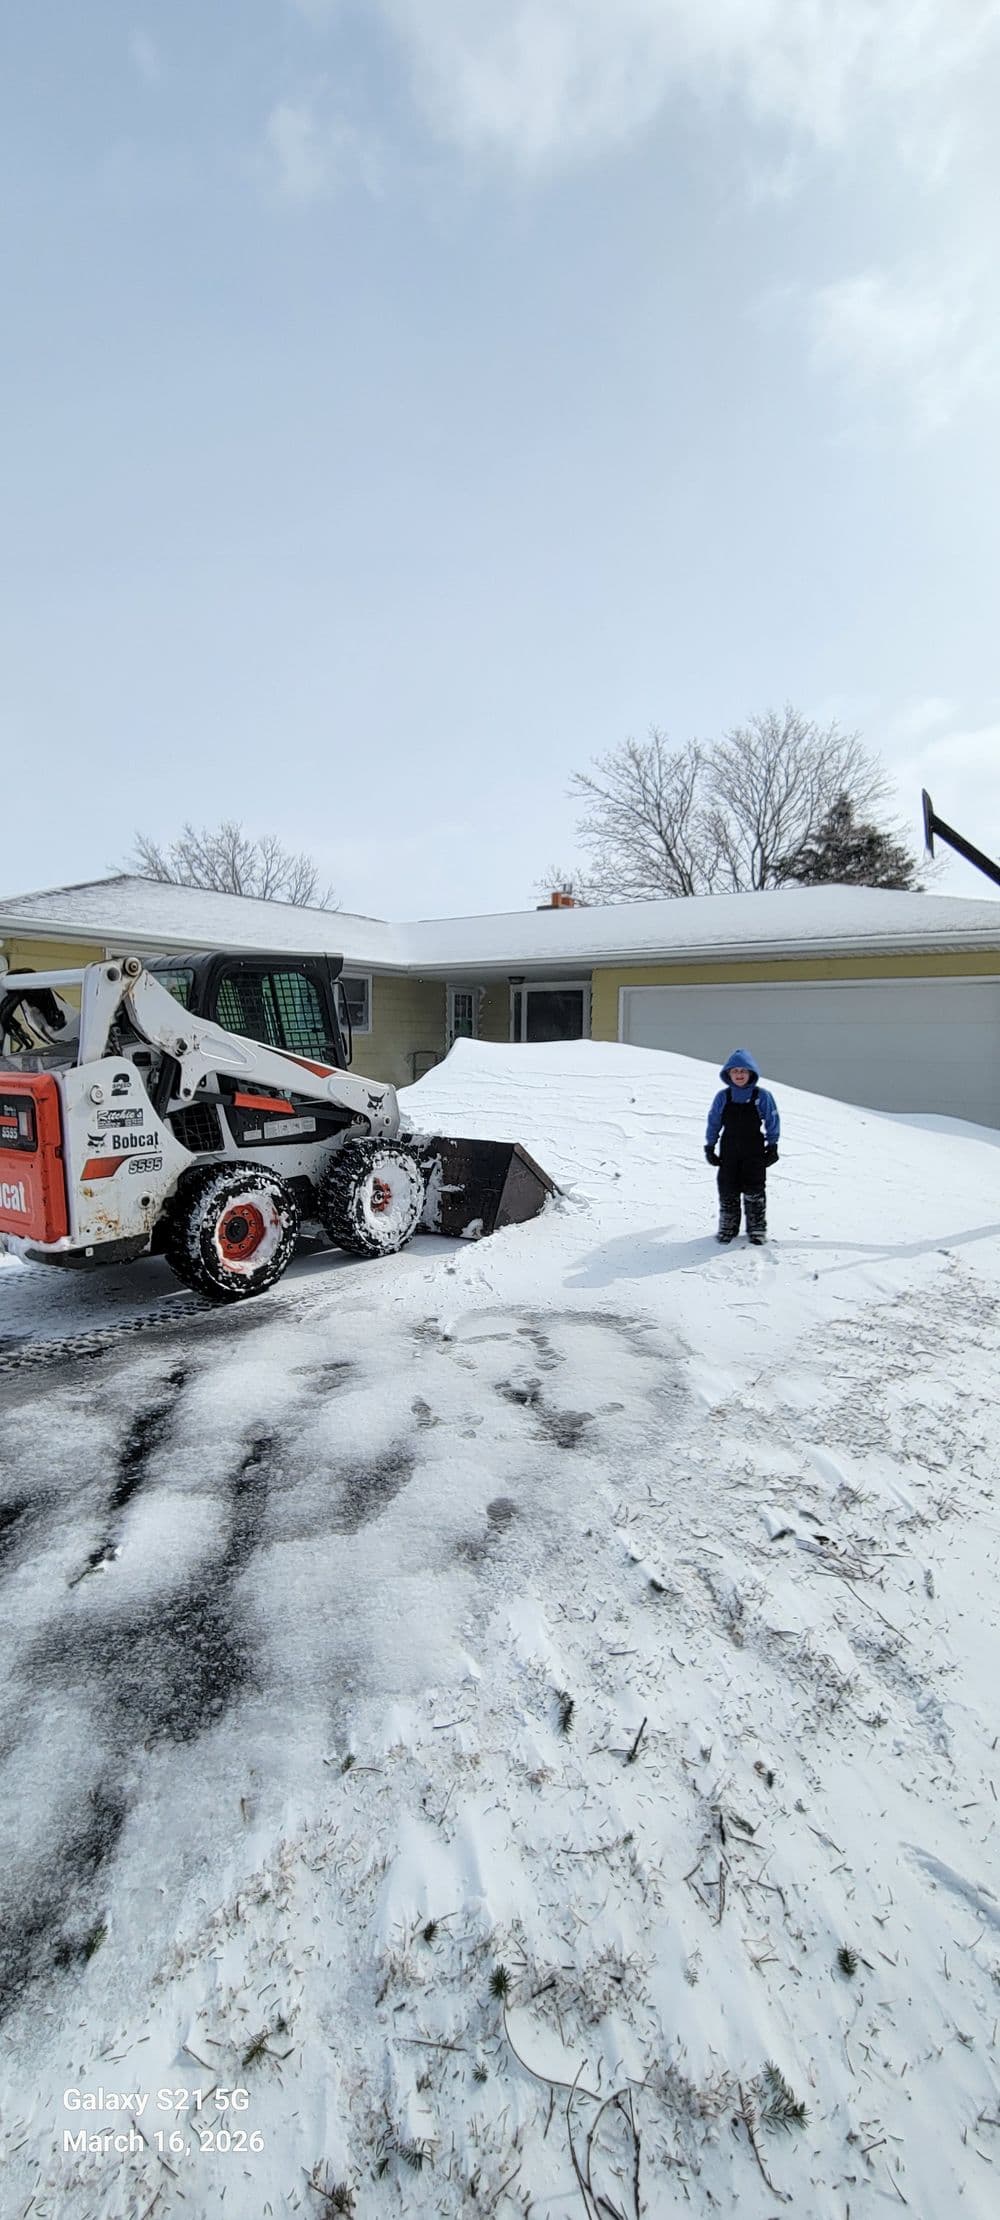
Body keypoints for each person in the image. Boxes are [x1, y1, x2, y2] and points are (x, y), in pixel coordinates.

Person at [704, 1048, 780, 1245]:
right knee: (727, 1188)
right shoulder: (723, 1097)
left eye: (743, 1071)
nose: (739, 1075)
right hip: (728, 1151)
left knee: (754, 1190)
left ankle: (757, 1229)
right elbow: (714, 1121)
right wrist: (710, 1146)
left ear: (751, 1073)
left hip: (753, 1151)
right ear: (728, 1074)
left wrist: (772, 1146)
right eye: (735, 1071)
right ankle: (728, 1228)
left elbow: (772, 1120)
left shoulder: (761, 1096)